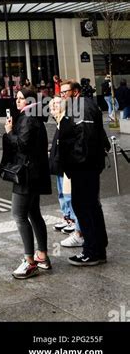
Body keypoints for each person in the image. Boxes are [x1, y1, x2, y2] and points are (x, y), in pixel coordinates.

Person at [2, 87, 52, 279]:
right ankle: (42, 256)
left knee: (19, 215)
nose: (17, 101)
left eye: (21, 98)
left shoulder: (27, 118)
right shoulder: (34, 116)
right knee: (34, 214)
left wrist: (9, 133)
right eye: (17, 98)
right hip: (35, 172)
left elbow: (22, 145)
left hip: (26, 174)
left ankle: (29, 261)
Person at [58, 80, 109, 266]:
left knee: (84, 206)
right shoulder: (79, 106)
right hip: (87, 165)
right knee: (89, 206)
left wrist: (75, 162)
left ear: (76, 91)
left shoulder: (81, 106)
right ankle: (97, 248)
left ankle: (92, 251)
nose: (63, 95)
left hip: (84, 167)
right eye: (61, 93)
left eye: (66, 92)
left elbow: (85, 138)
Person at [48, 97, 84, 248]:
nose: (54, 107)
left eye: (57, 104)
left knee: (69, 195)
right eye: (52, 105)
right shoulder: (60, 122)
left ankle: (76, 225)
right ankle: (68, 217)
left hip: (66, 167)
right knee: (62, 193)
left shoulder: (66, 122)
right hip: (60, 165)